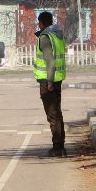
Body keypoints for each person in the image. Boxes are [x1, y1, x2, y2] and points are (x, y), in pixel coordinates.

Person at [35, 10, 67, 156]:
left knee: (52, 115)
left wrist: (49, 82)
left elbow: (49, 60)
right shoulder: (57, 34)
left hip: (48, 80)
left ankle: (57, 148)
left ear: (41, 23)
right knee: (57, 113)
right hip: (57, 78)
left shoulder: (45, 37)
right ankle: (61, 146)